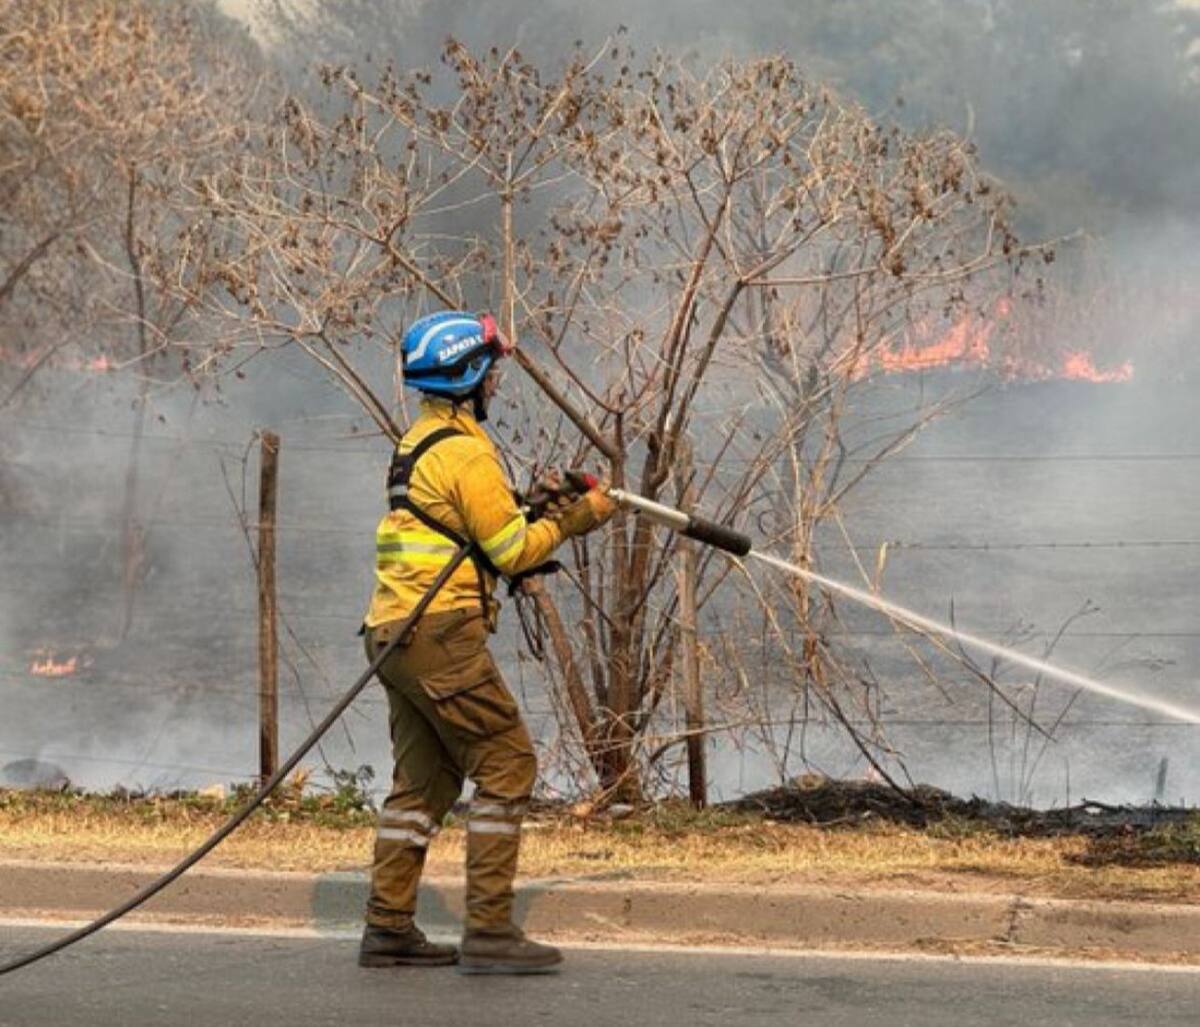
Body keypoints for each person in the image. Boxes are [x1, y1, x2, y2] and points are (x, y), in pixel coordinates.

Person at [358, 310, 615, 974]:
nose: (496, 382)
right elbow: (508, 550)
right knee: (507, 764)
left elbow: (471, 526)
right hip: (438, 631)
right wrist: (579, 518)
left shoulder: (422, 440)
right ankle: (492, 930)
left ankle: (387, 926)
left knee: (425, 780)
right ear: (469, 375)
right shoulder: (468, 452)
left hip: (394, 632)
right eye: (491, 371)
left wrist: (539, 502)